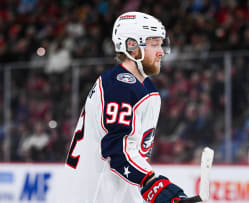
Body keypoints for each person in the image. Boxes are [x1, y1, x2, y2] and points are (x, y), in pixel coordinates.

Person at [61, 12, 187, 203]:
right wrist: (153, 184)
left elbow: (130, 156)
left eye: (161, 44)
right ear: (132, 47)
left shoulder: (141, 87)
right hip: (94, 195)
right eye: (154, 44)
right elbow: (117, 150)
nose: (161, 51)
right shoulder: (120, 86)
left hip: (109, 191)